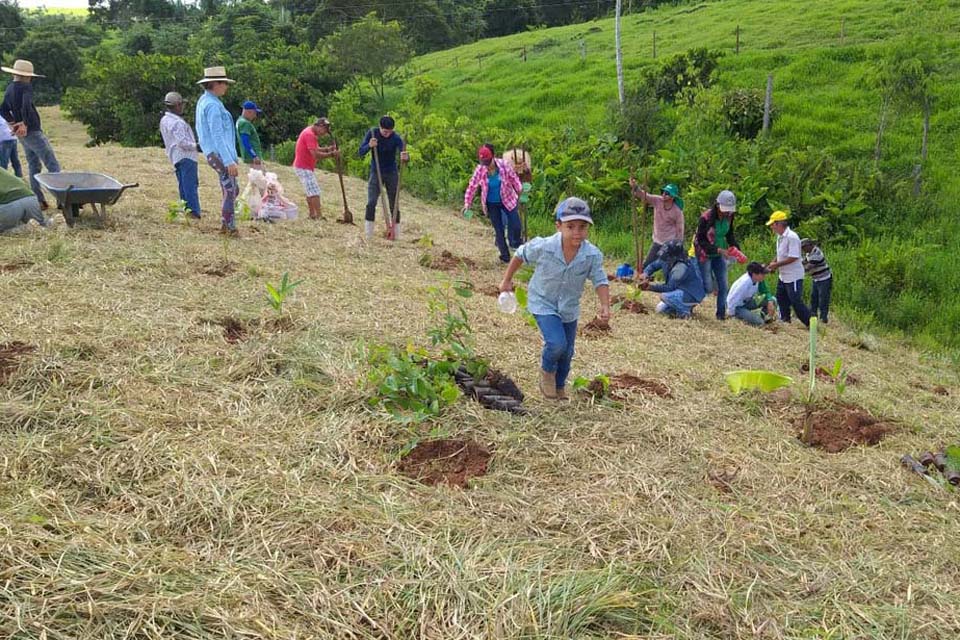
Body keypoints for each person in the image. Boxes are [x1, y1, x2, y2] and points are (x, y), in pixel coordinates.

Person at [499, 197, 610, 400]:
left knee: (567, 352)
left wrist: (605, 305)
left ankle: (559, 387)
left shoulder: (592, 255)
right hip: (543, 301)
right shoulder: (544, 246)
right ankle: (547, 371)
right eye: (571, 226)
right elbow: (520, 254)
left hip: (568, 307)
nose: (577, 232)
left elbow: (600, 279)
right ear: (558, 226)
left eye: (582, 227)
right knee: (557, 343)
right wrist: (507, 281)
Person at [0, 59, 61, 211]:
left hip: (22, 135)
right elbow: (26, 105)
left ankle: (39, 200)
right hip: (32, 130)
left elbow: (3, 110)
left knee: (34, 165)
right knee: (52, 164)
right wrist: (24, 123)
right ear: (27, 76)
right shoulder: (26, 87)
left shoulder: (10, 88)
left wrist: (14, 123)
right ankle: (63, 199)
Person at [195, 66, 239, 235]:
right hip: (219, 153)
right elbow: (218, 135)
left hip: (211, 152)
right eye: (224, 83)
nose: (226, 87)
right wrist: (229, 160)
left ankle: (227, 223)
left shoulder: (204, 101)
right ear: (215, 84)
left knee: (229, 188)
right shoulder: (213, 106)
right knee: (231, 189)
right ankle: (228, 225)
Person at [463, 144, 523, 263]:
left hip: (508, 199)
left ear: (493, 157)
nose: (486, 166)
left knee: (516, 224)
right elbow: (472, 187)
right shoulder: (480, 170)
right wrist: (467, 204)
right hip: (492, 204)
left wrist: (520, 190)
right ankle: (505, 257)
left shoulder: (504, 165)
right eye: (484, 163)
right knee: (499, 230)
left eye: (488, 162)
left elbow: (514, 178)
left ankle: (515, 244)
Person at [358, 115, 409, 240]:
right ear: (380, 127)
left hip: (391, 172)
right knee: (371, 202)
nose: (387, 134)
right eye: (385, 131)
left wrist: (406, 158)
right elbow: (360, 152)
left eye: (389, 132)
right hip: (376, 171)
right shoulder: (372, 133)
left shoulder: (396, 138)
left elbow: (405, 156)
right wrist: (369, 145)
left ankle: (395, 233)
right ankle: (368, 234)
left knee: (394, 202)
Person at [693, 190, 740, 320]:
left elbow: (729, 234)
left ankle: (720, 314)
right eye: (724, 209)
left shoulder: (729, 217)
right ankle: (689, 301)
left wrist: (736, 248)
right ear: (717, 205)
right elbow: (700, 240)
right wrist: (718, 250)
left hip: (720, 253)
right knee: (707, 287)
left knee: (723, 285)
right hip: (705, 253)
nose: (726, 212)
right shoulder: (705, 218)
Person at [159, 91, 202, 219]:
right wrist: (197, 146)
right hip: (186, 155)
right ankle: (193, 211)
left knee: (183, 184)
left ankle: (187, 208)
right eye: (181, 104)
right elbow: (182, 142)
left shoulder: (164, 120)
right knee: (190, 184)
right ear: (177, 105)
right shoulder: (177, 123)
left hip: (175, 156)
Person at [765, 211, 811, 327]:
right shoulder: (780, 237)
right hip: (783, 275)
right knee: (781, 299)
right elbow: (780, 254)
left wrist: (776, 265)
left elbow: (793, 257)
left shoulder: (792, 237)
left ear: (779, 224)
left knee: (796, 301)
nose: (771, 227)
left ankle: (810, 323)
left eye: (772, 225)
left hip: (793, 276)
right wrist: (774, 262)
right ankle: (785, 321)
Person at [640, 240, 705, 319]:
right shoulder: (665, 259)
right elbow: (653, 266)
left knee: (665, 296)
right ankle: (683, 308)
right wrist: (645, 273)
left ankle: (685, 312)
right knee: (660, 310)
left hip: (690, 293)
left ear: (673, 256)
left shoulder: (681, 267)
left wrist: (650, 287)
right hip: (680, 291)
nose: (664, 258)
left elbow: (669, 288)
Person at [628, 178, 685, 268]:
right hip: (657, 240)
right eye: (663, 192)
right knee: (647, 265)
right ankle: (644, 278)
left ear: (672, 197)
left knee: (668, 267)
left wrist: (678, 244)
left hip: (669, 243)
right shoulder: (657, 201)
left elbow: (680, 229)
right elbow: (644, 195)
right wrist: (635, 187)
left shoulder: (677, 211)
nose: (663, 195)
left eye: (667, 193)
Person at [292, 117, 339, 220]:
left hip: (303, 166)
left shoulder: (310, 132)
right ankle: (319, 216)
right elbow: (315, 154)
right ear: (320, 126)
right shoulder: (309, 135)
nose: (324, 133)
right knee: (314, 191)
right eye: (325, 130)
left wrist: (327, 149)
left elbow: (315, 148)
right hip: (303, 167)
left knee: (310, 190)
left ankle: (312, 214)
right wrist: (331, 154)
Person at [726, 262, 777, 326]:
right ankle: (742, 316)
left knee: (773, 299)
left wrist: (770, 301)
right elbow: (732, 299)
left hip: (747, 302)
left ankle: (764, 317)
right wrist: (731, 314)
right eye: (762, 274)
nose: (764, 276)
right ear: (754, 274)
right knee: (759, 323)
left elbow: (765, 291)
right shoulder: (744, 283)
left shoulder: (758, 280)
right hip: (737, 307)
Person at [0, 168, 46, 233]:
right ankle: (48, 223)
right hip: (30, 199)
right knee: (41, 224)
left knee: (5, 231)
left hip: (9, 206)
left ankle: (23, 229)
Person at [802, 238, 833, 324]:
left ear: (810, 245)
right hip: (816, 279)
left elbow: (807, 267)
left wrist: (797, 270)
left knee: (823, 299)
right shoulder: (809, 253)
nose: (803, 249)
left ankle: (823, 318)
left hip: (824, 278)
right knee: (814, 297)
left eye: (804, 247)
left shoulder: (817, 254)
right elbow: (804, 261)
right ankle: (813, 316)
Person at [236, 100, 263, 168]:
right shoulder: (245, 123)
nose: (255, 116)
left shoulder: (239, 121)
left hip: (249, 157)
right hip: (253, 158)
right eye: (254, 113)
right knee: (260, 178)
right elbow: (245, 140)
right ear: (249, 112)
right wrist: (254, 155)